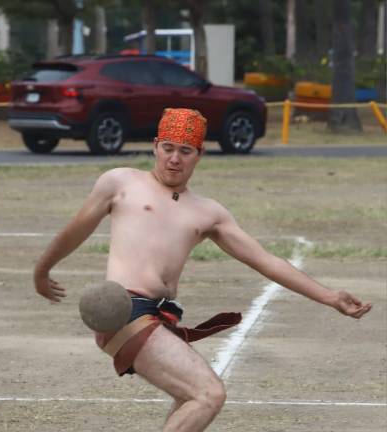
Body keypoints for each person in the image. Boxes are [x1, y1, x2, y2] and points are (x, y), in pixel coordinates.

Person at [32, 108, 372, 432]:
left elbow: (266, 261)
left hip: (159, 316)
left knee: (187, 398)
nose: (174, 159)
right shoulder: (120, 182)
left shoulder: (209, 213)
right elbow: (75, 229)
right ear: (154, 146)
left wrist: (330, 297)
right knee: (209, 393)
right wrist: (43, 270)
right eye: (167, 148)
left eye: (185, 151)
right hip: (125, 311)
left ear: (200, 154)